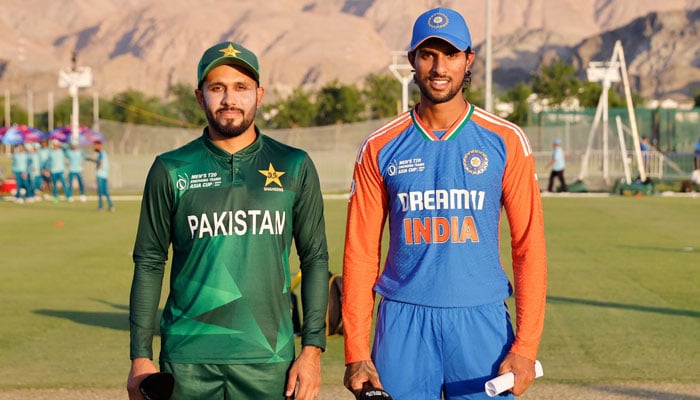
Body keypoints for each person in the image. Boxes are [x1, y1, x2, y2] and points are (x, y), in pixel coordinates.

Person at [342, 7, 547, 400]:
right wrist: (356, 350)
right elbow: (361, 252)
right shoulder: (379, 146)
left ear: (468, 59)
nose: (439, 67)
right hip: (402, 321)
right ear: (412, 61)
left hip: (481, 321)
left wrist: (525, 347)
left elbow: (528, 248)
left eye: (450, 54)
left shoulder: (505, 140)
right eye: (428, 54)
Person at [126, 41, 329, 400]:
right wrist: (140, 357)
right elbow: (149, 262)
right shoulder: (171, 168)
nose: (229, 99)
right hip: (187, 361)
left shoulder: (294, 165)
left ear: (259, 94)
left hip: (269, 360)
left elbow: (314, 259)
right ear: (200, 96)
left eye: (241, 88)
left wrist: (312, 351)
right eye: (217, 88)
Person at [91, 140, 114, 211]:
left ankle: (101, 207)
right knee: (105, 191)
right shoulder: (103, 154)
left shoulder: (101, 153)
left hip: (101, 175)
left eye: (95, 145)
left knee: (101, 191)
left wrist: (97, 167)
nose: (94, 147)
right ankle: (111, 206)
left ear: (99, 145)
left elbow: (100, 162)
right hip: (104, 175)